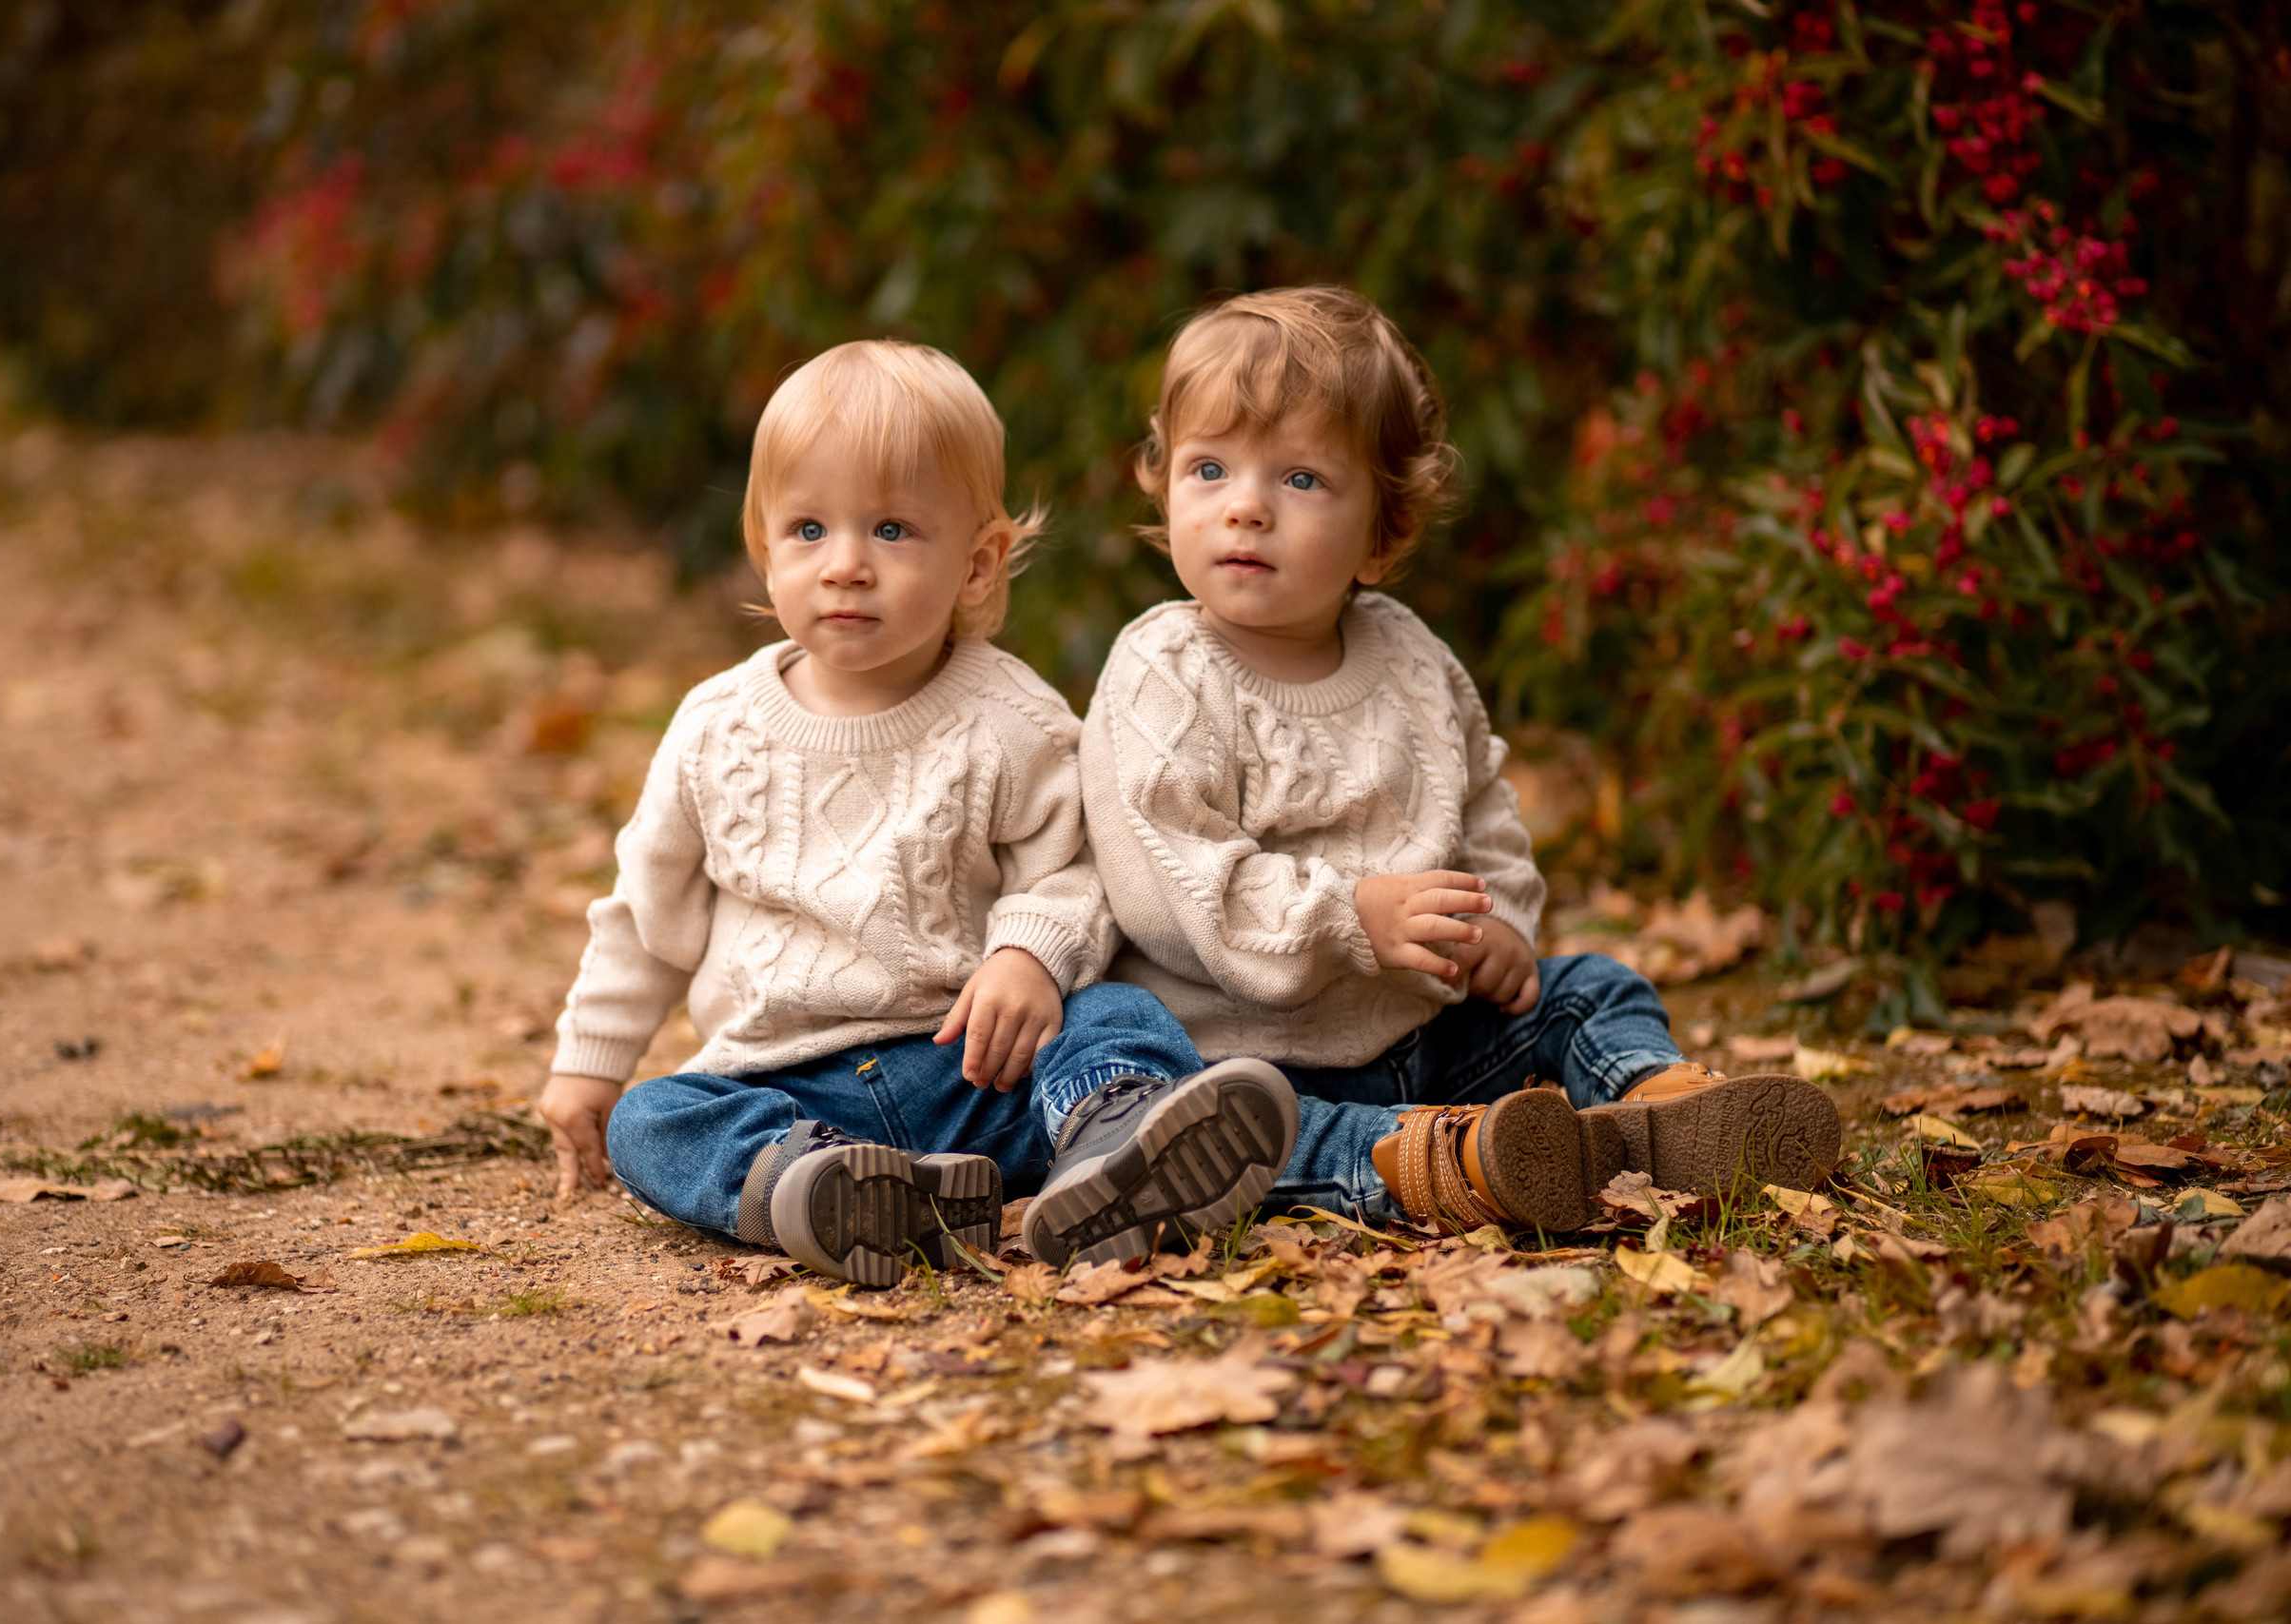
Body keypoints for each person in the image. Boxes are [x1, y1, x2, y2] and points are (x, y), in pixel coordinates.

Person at [1079, 287, 1839, 1234]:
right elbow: (1167, 882)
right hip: (1248, 1061)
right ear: (1164, 488)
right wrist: (1350, 917)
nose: (1245, 508)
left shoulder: (1411, 659)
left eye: (1300, 481)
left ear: (1384, 531)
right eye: (1209, 469)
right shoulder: (1163, 671)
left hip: (1424, 1034)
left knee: (1589, 987)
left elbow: (1483, 813)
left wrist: (1500, 928)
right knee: (1221, 1124)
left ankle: (1661, 1108)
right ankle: (1431, 1164)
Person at [537, 340, 1295, 1286]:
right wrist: (591, 1064)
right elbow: (644, 920)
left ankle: (1114, 1148)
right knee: (658, 1121)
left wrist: (1027, 955)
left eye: (891, 532)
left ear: (977, 565)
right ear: (765, 550)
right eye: (808, 530)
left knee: (1115, 1011)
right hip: (782, 1081)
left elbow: (1083, 866)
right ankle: (826, 1188)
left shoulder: (1010, 718)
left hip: (978, 1072)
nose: (846, 566)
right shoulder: (715, 728)